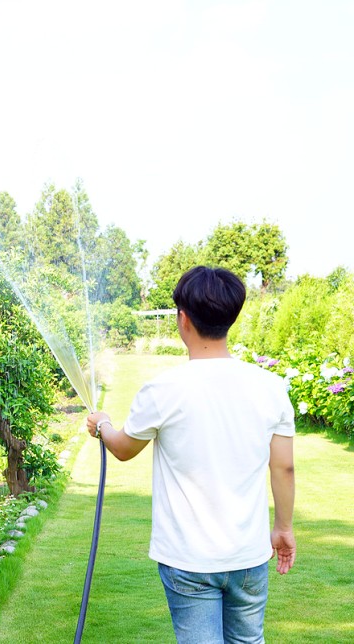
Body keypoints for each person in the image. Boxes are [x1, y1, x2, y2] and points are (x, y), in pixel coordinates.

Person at [87, 265, 296, 644]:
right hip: (249, 556)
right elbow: (284, 467)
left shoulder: (163, 389)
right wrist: (283, 528)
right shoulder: (271, 387)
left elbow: (122, 449)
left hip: (188, 559)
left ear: (183, 319)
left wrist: (102, 424)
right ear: (231, 318)